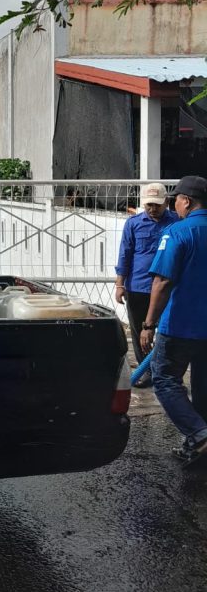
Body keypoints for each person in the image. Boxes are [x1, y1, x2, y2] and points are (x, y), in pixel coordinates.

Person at [140, 175, 207, 466]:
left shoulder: (178, 232)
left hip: (180, 325)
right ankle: (197, 445)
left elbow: (162, 282)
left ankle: (199, 434)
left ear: (186, 201)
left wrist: (148, 324)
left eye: (176, 200)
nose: (173, 205)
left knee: (165, 380)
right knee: (203, 387)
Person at [114, 182, 178, 385]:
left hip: (167, 287)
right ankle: (146, 371)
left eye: (157, 204)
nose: (153, 208)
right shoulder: (133, 224)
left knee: (169, 332)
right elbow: (124, 254)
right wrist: (120, 285)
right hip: (138, 287)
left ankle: (167, 373)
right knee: (139, 331)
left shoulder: (176, 222)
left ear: (166, 202)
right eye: (149, 204)